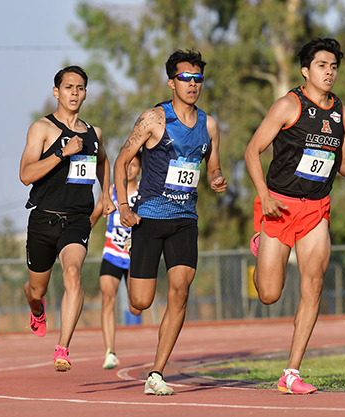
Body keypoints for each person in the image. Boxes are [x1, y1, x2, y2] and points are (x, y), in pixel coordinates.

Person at [244, 38, 345, 394]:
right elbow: (252, 151)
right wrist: (264, 197)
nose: (329, 72)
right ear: (306, 71)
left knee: (313, 283)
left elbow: (343, 161)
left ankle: (291, 372)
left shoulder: (342, 113)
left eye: (333, 66)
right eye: (322, 65)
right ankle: (262, 240)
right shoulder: (289, 105)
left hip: (316, 208)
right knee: (269, 293)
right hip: (279, 205)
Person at [114, 49, 227, 395]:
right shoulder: (153, 119)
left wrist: (217, 180)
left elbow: (213, 169)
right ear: (171, 82)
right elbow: (121, 162)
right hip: (149, 216)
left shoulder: (209, 125)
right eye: (185, 79)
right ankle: (136, 258)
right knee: (140, 302)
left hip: (185, 219)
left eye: (198, 79)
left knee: (180, 292)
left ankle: (156, 373)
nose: (193, 85)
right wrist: (122, 205)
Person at [19, 65, 115, 372]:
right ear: (56, 92)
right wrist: (62, 153)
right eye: (69, 87)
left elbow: (103, 161)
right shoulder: (42, 129)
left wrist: (107, 194)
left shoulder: (94, 133)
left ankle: (63, 348)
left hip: (77, 219)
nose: (75, 93)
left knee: (73, 272)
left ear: (86, 93)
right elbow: (25, 175)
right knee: (38, 290)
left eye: (80, 88)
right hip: (43, 220)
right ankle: (36, 307)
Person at [90, 151, 142, 370]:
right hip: (112, 252)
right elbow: (93, 217)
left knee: (136, 307)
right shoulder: (110, 192)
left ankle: (137, 299)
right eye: (127, 164)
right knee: (107, 298)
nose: (129, 168)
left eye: (134, 165)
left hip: (134, 254)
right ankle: (110, 351)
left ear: (140, 169)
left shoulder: (143, 193)